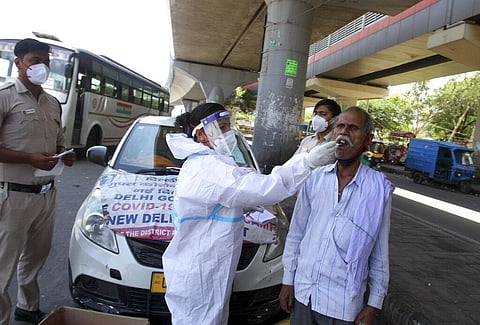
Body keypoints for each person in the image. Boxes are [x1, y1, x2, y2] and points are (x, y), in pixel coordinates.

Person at [162, 102, 336, 325]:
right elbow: (264, 189)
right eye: (222, 127)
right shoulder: (209, 167)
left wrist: (245, 204)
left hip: (201, 265)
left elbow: (233, 193)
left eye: (229, 126)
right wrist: (308, 163)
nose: (229, 133)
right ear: (203, 135)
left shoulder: (206, 162)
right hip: (202, 269)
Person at [279, 106, 395, 325]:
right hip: (304, 291)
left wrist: (373, 304)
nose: (344, 133)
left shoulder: (377, 189)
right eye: (340, 126)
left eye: (353, 128)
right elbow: (296, 234)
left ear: (367, 139)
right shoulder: (315, 179)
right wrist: (288, 280)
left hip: (342, 302)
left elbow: (379, 251)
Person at [0, 38, 76, 325]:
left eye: (46, 61)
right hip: (12, 195)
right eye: (35, 60)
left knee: (35, 257)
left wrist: (64, 156)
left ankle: (27, 307)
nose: (42, 66)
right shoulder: (5, 96)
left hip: (46, 194)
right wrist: (29, 158)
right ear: (18, 62)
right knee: (3, 264)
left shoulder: (52, 102)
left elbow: (58, 144)